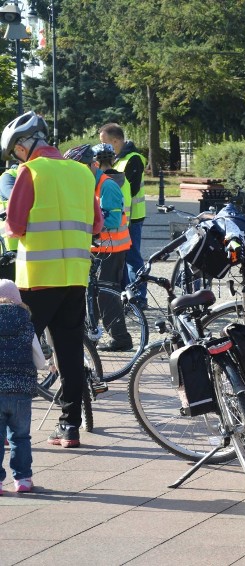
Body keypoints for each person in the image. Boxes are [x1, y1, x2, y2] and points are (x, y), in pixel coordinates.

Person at [2, 110, 103, 448]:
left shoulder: (30, 172)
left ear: (24, 145)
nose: (17, 156)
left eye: (16, 150)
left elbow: (15, 225)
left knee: (12, 353)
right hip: (75, 276)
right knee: (71, 352)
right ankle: (69, 427)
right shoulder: (82, 172)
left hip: (37, 278)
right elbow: (97, 224)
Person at [64, 144, 133, 353]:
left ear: (91, 165)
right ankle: (90, 336)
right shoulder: (86, 183)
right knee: (90, 293)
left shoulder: (107, 185)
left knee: (106, 295)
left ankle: (121, 338)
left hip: (112, 248)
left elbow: (112, 219)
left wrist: (84, 223)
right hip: (97, 248)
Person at [0, 279, 47, 494]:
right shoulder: (26, 325)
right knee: (20, 436)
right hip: (21, 391)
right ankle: (23, 479)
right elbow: (39, 359)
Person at [98, 123, 147, 307]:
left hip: (132, 217)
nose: (103, 146)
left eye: (105, 142)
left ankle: (140, 297)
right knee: (124, 258)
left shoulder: (133, 158)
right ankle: (128, 295)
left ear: (116, 140)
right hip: (123, 217)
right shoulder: (118, 159)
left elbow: (130, 190)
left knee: (133, 258)